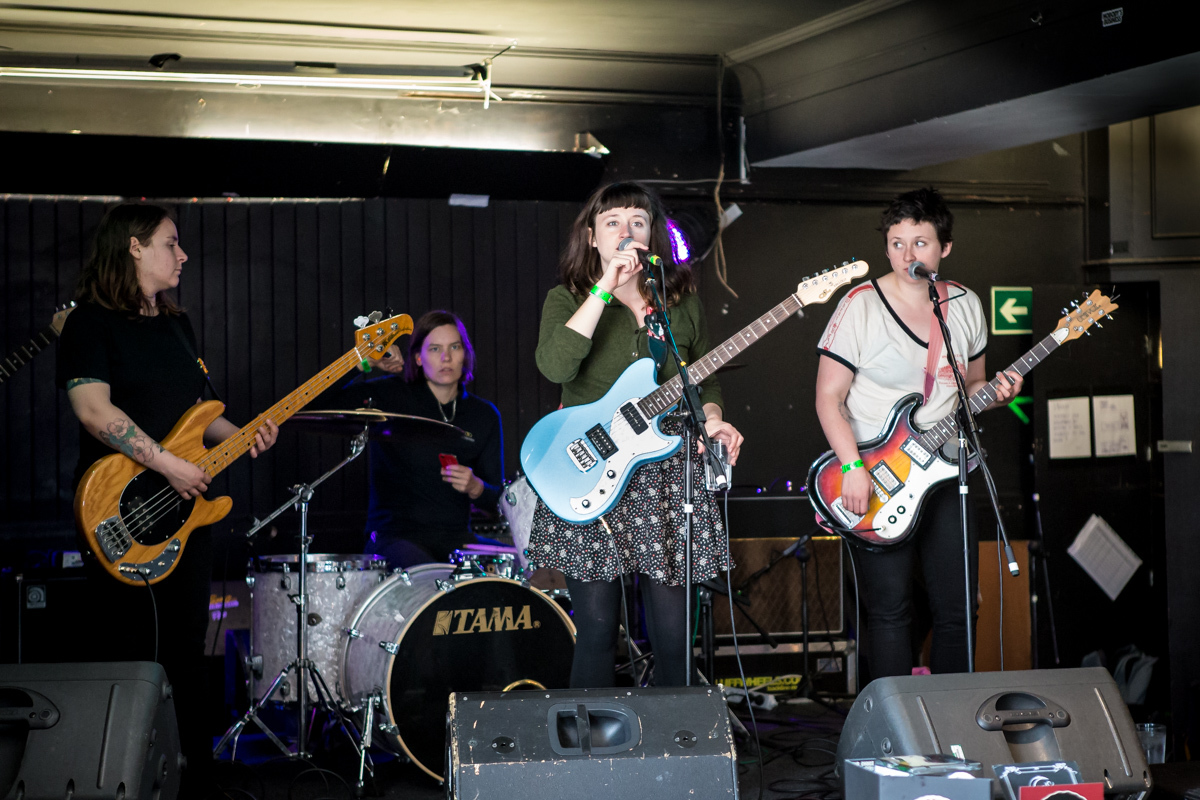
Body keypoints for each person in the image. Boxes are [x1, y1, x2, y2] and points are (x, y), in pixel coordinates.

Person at [57, 203, 278, 796]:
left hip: (184, 510)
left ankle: (196, 779)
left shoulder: (178, 326)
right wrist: (168, 465)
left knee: (186, 646)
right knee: (130, 646)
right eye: (170, 243)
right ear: (133, 247)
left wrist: (243, 435)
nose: (182, 255)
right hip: (118, 509)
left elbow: (196, 415)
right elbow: (94, 411)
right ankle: (125, 779)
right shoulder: (89, 324)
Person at [526, 181, 744, 688]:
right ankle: (591, 736)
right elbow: (555, 365)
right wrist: (605, 287)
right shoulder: (567, 298)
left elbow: (704, 381)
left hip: (665, 473)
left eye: (637, 222)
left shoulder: (679, 303)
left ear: (652, 236)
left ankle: (676, 734)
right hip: (586, 467)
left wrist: (712, 418)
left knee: (674, 634)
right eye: (613, 223)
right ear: (592, 237)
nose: (626, 231)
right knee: (597, 629)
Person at [814, 187, 1022, 678]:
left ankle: (951, 717)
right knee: (890, 612)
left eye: (920, 243)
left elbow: (972, 386)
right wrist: (851, 466)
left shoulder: (965, 305)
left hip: (949, 472)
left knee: (958, 610)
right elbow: (828, 398)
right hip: (875, 474)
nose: (908, 254)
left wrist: (999, 392)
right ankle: (893, 721)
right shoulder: (859, 305)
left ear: (944, 248)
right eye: (897, 243)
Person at [324, 310, 504, 567]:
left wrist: (477, 487)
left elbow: (498, 503)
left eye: (454, 347)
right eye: (435, 349)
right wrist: (363, 364)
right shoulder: (391, 396)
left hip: (456, 540)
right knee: (433, 579)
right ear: (418, 358)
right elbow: (318, 402)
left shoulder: (484, 415)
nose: (446, 357)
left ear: (465, 354)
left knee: (526, 567)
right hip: (394, 539)